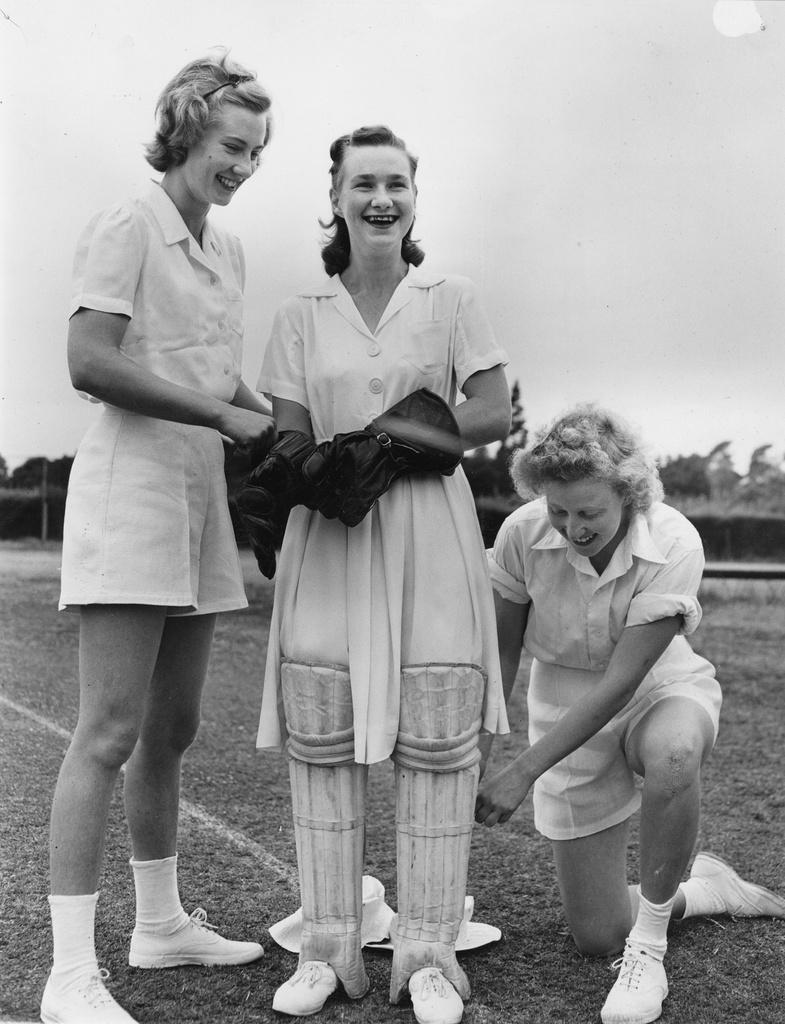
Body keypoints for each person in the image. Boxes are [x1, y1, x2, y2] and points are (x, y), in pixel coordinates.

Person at [246, 125, 511, 1024]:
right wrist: (300, 472)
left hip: (427, 530)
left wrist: (389, 443)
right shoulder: (298, 313)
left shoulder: (450, 297)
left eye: (395, 182)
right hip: (332, 533)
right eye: (363, 183)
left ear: (413, 196)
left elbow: (490, 407)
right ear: (336, 198)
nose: (380, 199)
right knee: (322, 729)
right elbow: (285, 431)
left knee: (436, 735)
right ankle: (325, 947)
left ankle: (428, 954)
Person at [42, 52, 276, 1024]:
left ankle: (160, 923)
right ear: (184, 129)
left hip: (197, 503)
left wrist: (305, 438)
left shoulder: (226, 252)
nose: (243, 165)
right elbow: (88, 362)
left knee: (171, 730)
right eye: (231, 145)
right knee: (107, 730)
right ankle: (68, 975)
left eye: (257, 151)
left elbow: (227, 388)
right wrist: (225, 422)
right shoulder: (125, 222)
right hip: (130, 491)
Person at [474, 405, 785, 1024]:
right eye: (557, 510)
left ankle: (649, 949)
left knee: (673, 756)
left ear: (629, 493)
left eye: (589, 512)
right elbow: (502, 650)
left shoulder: (674, 540)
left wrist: (521, 771)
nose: (570, 527)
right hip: (558, 692)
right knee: (596, 934)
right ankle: (705, 889)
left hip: (657, 683)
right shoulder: (520, 533)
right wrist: (478, 750)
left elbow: (622, 682)